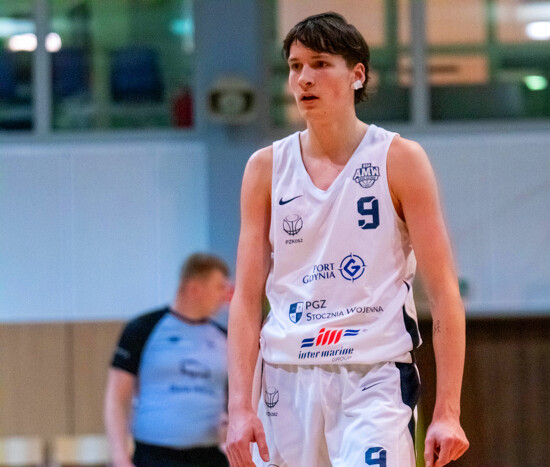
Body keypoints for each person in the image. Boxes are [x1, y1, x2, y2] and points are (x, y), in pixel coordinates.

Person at [225, 12, 469, 467]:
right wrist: (239, 407)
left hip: (373, 376)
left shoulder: (400, 159)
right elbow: (245, 299)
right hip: (284, 380)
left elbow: (444, 292)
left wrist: (448, 412)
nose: (304, 78)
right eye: (295, 66)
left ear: (357, 75)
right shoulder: (264, 168)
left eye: (320, 64)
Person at [105, 253, 231, 467]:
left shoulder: (224, 337)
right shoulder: (143, 329)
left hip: (210, 456)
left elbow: (235, 396)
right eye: (219, 287)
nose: (225, 295)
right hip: (154, 457)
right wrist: (120, 456)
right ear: (194, 288)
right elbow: (117, 397)